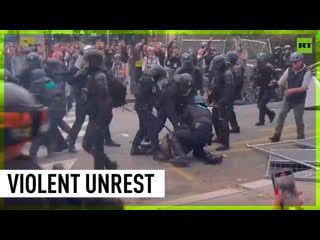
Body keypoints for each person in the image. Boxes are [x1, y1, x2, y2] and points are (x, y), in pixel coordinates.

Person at [1, 81, 124, 209]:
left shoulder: (38, 82)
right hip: (56, 108)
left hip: (54, 109)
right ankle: (64, 142)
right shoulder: (48, 81)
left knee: (56, 128)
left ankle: (63, 142)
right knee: (56, 128)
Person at [159, 95, 224, 167]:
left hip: (197, 133)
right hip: (207, 136)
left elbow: (183, 122)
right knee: (197, 150)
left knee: (172, 135)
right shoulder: (206, 109)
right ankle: (203, 153)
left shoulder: (190, 107)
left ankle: (181, 157)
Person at [269, 52, 313, 142]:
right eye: (292, 62)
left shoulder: (307, 72)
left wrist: (291, 90)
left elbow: (304, 88)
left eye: (295, 62)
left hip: (299, 99)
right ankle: (276, 135)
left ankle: (301, 136)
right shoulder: (289, 70)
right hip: (288, 99)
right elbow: (281, 81)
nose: (294, 64)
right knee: (281, 115)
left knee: (298, 118)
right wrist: (275, 84)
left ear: (301, 61)